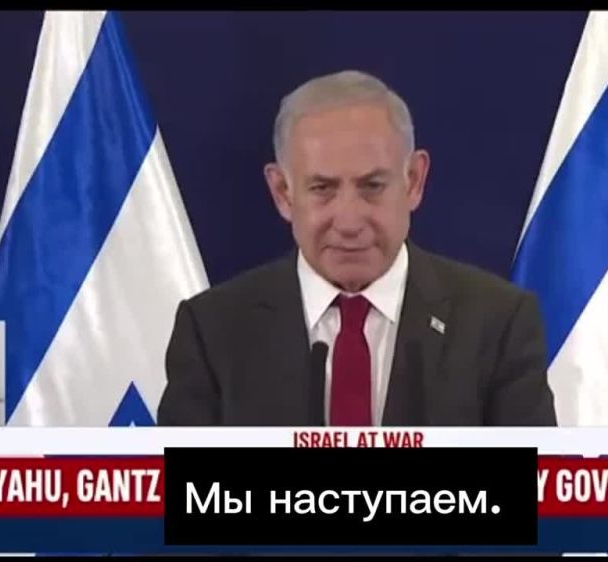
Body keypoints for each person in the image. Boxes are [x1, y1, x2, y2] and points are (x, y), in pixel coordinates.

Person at [158, 70, 556, 426]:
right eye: (322, 188)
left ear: (414, 181)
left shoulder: (498, 324)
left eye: (372, 186)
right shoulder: (213, 331)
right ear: (282, 192)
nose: (349, 222)